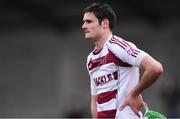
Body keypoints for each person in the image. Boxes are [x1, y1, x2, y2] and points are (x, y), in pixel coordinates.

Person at [82, 2, 163, 119]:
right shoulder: (91, 59)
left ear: (105, 23)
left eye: (89, 21)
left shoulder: (117, 47)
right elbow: (95, 100)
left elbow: (155, 68)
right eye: (84, 22)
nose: (84, 26)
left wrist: (134, 94)